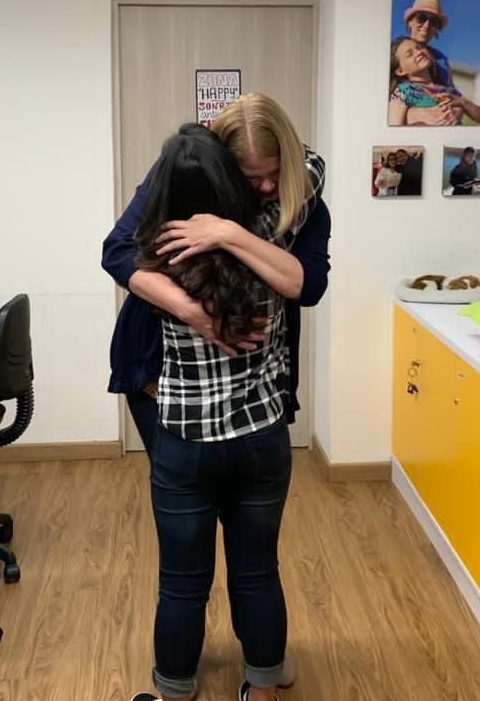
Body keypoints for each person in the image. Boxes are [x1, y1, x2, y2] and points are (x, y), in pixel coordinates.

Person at [117, 123, 324, 701]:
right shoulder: (273, 239)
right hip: (262, 439)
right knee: (257, 572)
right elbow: (310, 176)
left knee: (182, 584)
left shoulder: (158, 256)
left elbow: (117, 250)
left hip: (186, 443)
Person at [102, 93, 330, 459]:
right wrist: (193, 313)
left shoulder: (301, 198)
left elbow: (310, 287)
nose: (268, 187)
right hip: (158, 371)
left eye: (276, 173)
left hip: (255, 384)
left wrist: (229, 234)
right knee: (177, 479)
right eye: (252, 177)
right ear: (223, 168)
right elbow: (116, 252)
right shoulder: (181, 177)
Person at [388, 38, 480, 127]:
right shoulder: (402, 91)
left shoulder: (447, 90)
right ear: (400, 71)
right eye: (410, 54)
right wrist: (423, 124)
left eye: (419, 47)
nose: (419, 52)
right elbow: (394, 131)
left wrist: (463, 102)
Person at [403, 0, 452, 85]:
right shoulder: (395, 51)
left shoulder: (441, 60)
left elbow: (451, 89)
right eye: (421, 18)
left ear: (437, 29)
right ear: (410, 21)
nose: (427, 25)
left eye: (433, 21)